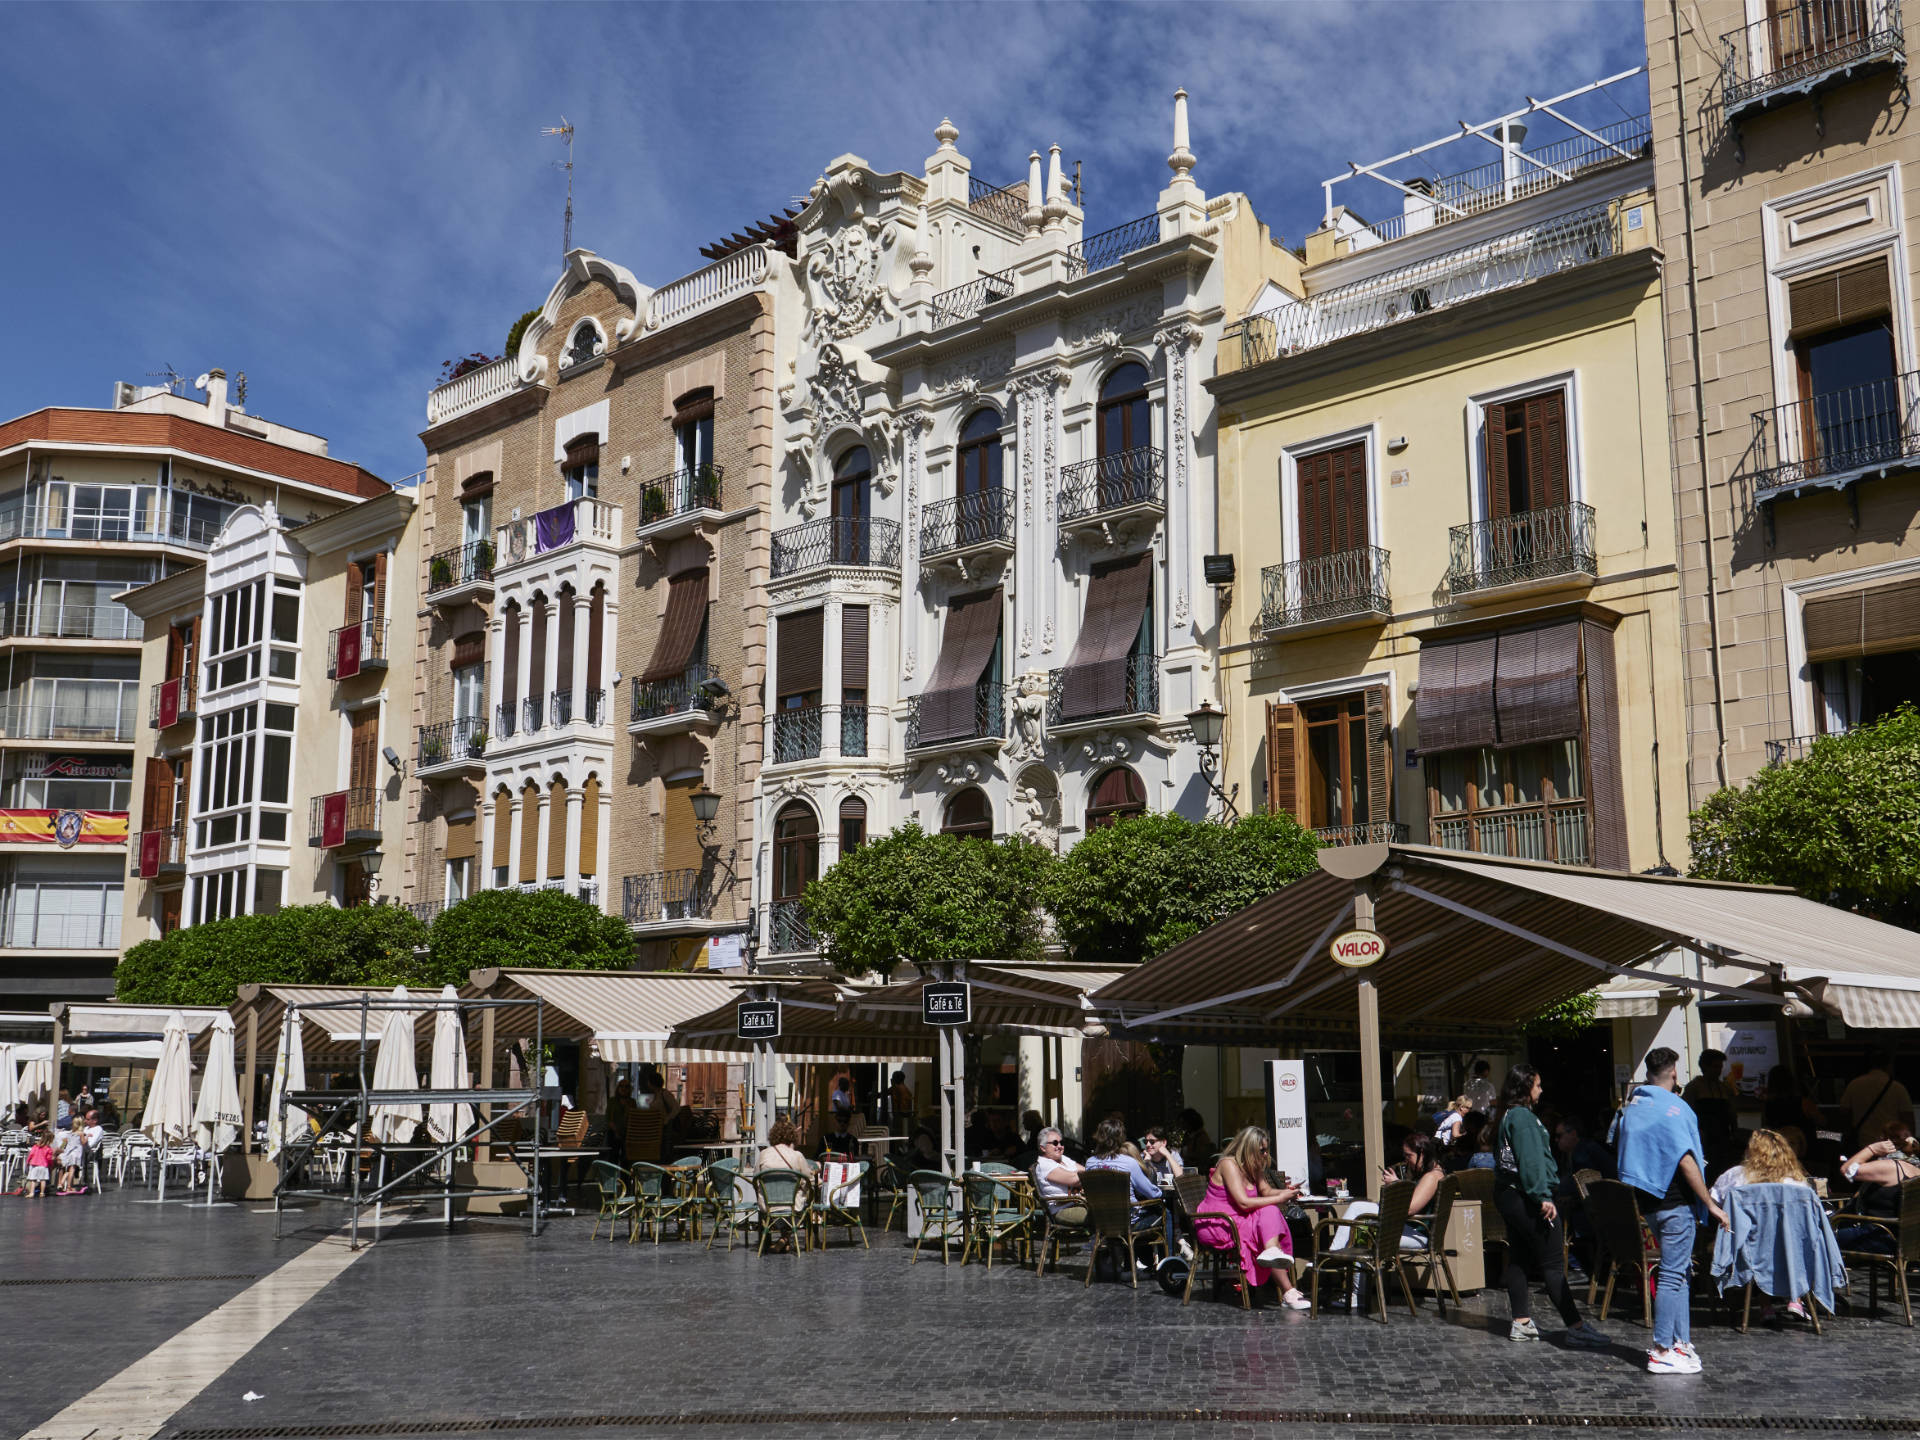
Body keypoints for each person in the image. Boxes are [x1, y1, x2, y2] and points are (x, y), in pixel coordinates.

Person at [1613, 1047, 1728, 1374]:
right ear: (1674, 1074)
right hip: (1675, 1201)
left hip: (1649, 1202)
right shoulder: (1674, 1109)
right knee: (1673, 1275)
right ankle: (1662, 1348)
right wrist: (1709, 1204)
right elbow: (1686, 1159)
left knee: (1678, 1274)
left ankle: (1680, 1341)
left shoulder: (1633, 1106)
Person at [1493, 1064, 1611, 1350]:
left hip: (1509, 1194)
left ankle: (1521, 1322)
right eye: (1537, 1085)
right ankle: (1576, 1327)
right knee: (1553, 1263)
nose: (1541, 1090)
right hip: (1525, 1196)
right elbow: (1531, 1161)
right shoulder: (1522, 1117)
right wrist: (1542, 1196)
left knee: (1520, 1258)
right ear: (1525, 1088)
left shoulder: (1509, 1114)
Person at [1192, 1126, 1310, 1309]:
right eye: (1261, 1150)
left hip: (1238, 1218)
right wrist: (1280, 1198)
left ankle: (1275, 1260)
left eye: (1266, 1150)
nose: (1265, 1154)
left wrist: (1287, 1192)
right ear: (1248, 1148)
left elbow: (1266, 1191)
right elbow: (1243, 1203)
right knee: (1266, 1221)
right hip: (1217, 1223)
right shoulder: (1228, 1165)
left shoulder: (1253, 1165)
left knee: (1269, 1213)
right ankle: (1288, 1290)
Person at [1084, 1117, 1166, 1268]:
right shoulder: (1129, 1163)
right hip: (1127, 1222)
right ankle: (1163, 1265)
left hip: (1101, 1222)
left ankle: (1131, 1263)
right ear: (1120, 1137)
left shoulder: (1090, 1162)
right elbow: (1152, 1194)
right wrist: (1160, 1191)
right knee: (1164, 1211)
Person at [1833, 1121, 1920, 1254]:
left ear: (1883, 1141)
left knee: (1821, 1236)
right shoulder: (1916, 1169)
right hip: (1905, 1241)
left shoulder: (1891, 1166)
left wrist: (1871, 1149)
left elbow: (1847, 1170)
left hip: (1880, 1237)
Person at [1839, 1052, 1912, 1151]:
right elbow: (1907, 1117)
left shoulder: (1854, 1085)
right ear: (1888, 1066)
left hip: (1863, 1144)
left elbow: (1844, 1114)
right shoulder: (1897, 1087)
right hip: (1891, 1144)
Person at [1033, 1126, 1086, 1226]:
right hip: (1062, 1210)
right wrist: (1080, 1177)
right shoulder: (1044, 1165)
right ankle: (1097, 1241)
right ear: (1043, 1147)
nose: (1060, 1146)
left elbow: (1085, 1171)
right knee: (1101, 1213)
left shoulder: (1063, 1159)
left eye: (1062, 1143)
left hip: (1079, 1204)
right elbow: (1075, 1180)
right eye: (1055, 1143)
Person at [603, 1077, 636, 1162]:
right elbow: (608, 1118)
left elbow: (634, 1118)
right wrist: (616, 1131)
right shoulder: (612, 1101)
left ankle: (625, 1175)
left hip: (628, 1133)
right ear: (618, 1088)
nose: (624, 1088)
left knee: (626, 1158)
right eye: (621, 1086)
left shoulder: (632, 1102)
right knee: (613, 1156)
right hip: (613, 1133)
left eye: (626, 1086)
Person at [24, 1129, 53, 1198]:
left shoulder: (35, 1146)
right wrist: (50, 1164)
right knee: (43, 1180)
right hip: (43, 1165)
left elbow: (31, 1154)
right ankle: (42, 1193)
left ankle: (31, 1193)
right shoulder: (48, 1148)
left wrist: (28, 1162)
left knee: (33, 1180)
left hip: (34, 1164)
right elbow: (49, 1158)